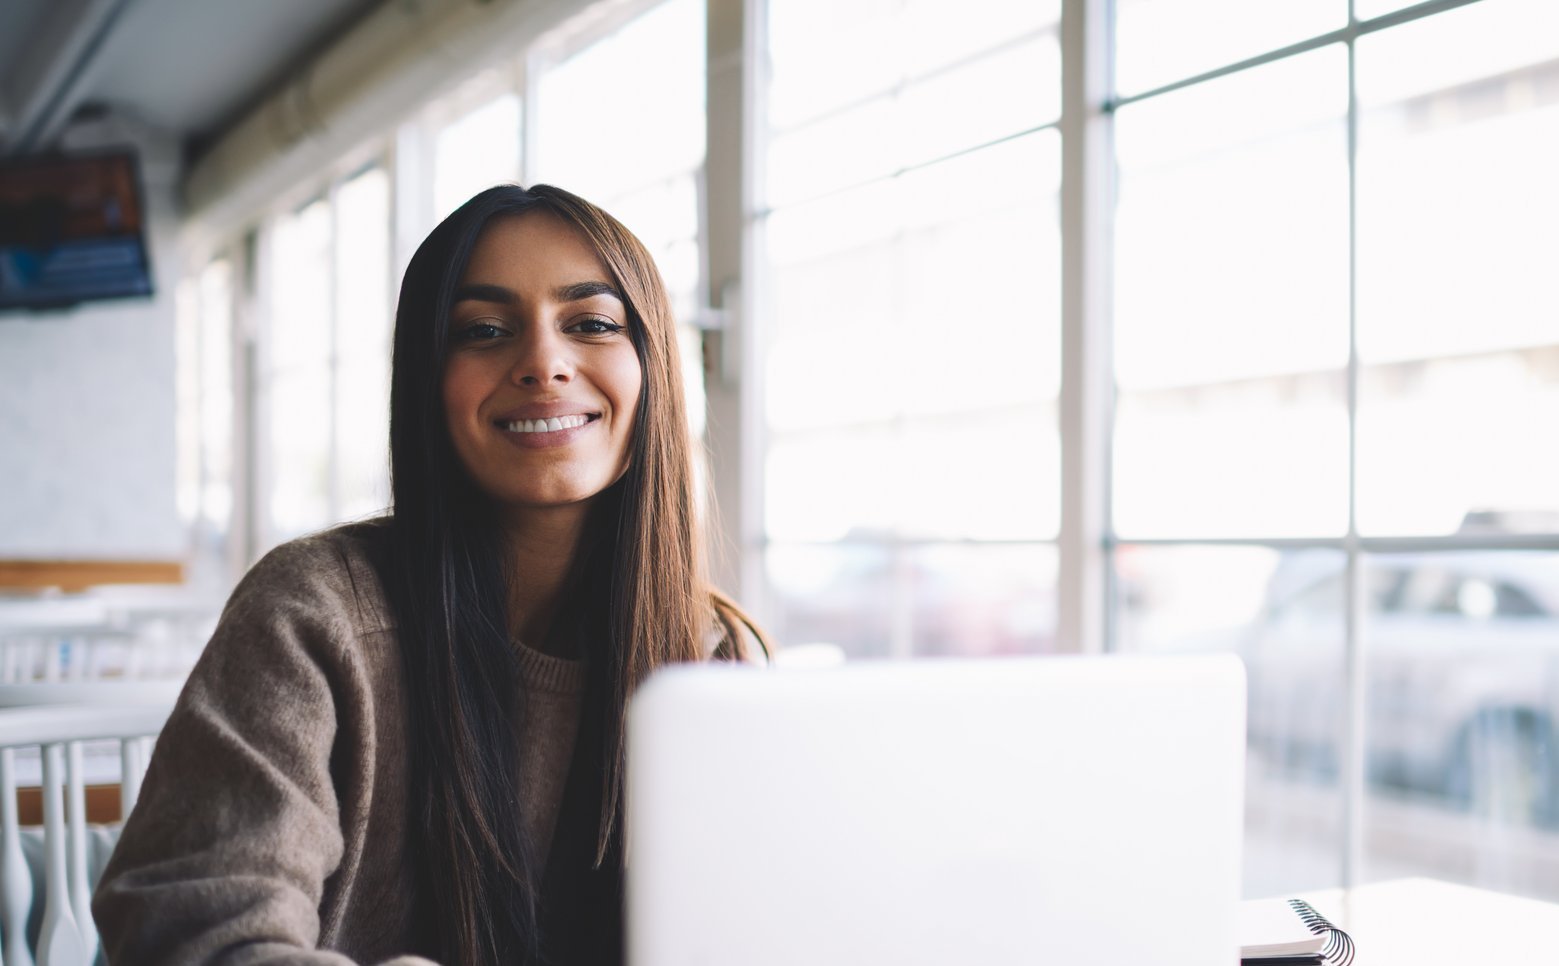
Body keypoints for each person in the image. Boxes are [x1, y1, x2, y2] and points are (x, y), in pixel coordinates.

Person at [92, 184, 768, 966]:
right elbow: (194, 926)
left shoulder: (707, 652)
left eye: (591, 324)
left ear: (652, 371)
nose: (544, 363)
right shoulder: (312, 613)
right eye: (483, 330)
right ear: (426, 381)